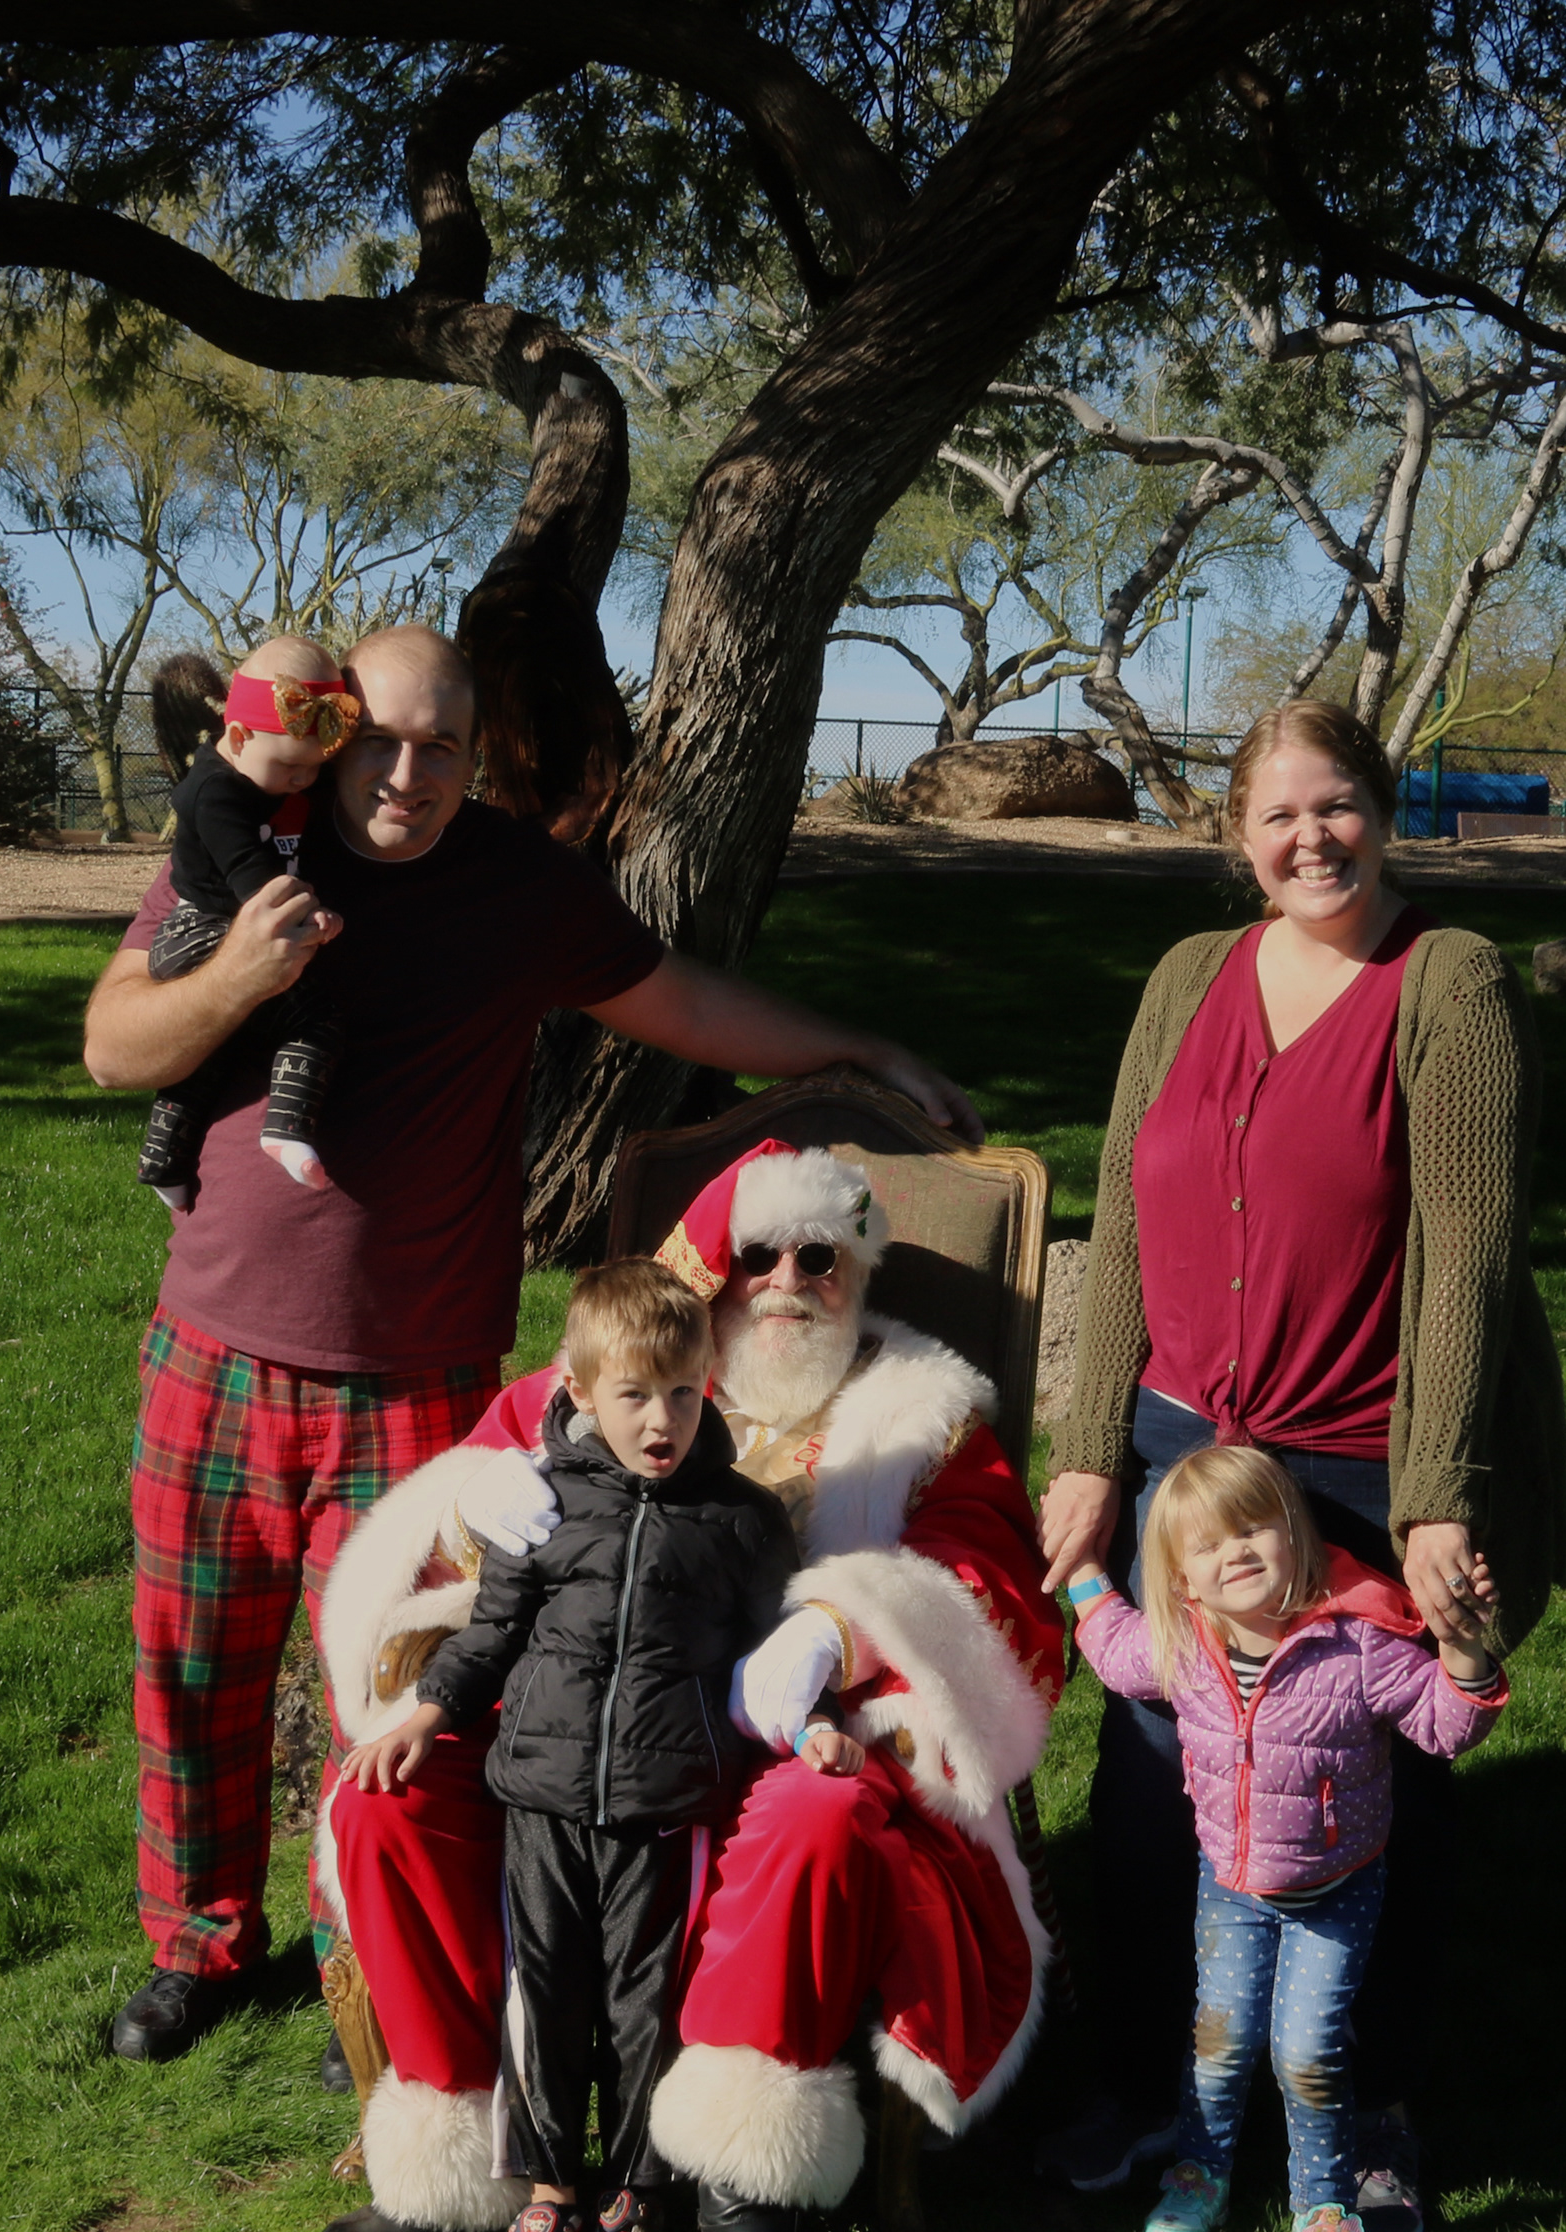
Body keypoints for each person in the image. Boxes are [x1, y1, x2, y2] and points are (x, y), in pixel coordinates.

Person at [83, 623, 984, 2072]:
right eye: (382, 738)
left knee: (408, 1683)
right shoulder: (249, 834)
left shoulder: (517, 886)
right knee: (193, 1667)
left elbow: (683, 1001)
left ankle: (371, 1958)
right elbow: (117, 1047)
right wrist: (242, 971)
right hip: (216, 1350)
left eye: (444, 745)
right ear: (331, 730)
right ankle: (197, 1946)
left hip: (417, 1368)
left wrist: (857, 1050)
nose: (410, 772)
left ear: (476, 757)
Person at [311, 1142, 1063, 2232]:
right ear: (708, 1274)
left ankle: (743, 2201)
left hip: (794, 1735)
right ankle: (457, 2166)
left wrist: (839, 1627)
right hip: (579, 1732)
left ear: (857, 1272)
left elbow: (995, 1584)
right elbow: (458, 1568)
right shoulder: (601, 1383)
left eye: (820, 1256)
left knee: (818, 1816)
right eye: (757, 1255)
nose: (788, 1281)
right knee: (386, 1801)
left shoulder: (919, 1415)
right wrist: (468, 1499)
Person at [1036, 698, 1566, 2232]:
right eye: (1276, 814)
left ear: (1382, 811)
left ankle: (1375, 2105)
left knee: (1369, 1791)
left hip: (1356, 1456)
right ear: (1238, 835)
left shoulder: (1448, 982)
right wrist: (1087, 1451)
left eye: (1334, 804)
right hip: (1180, 1453)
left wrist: (1438, 1490)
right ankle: (1150, 2087)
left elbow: (1471, 1250)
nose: (1309, 838)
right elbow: (1121, 1217)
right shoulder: (1187, 977)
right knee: (1157, 1781)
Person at [342, 1259, 804, 2232]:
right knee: (542, 1998)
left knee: (646, 2006)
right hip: (542, 1801)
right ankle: (550, 2187)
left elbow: (770, 1658)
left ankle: (637, 2189)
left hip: (664, 1808)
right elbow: (493, 1631)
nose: (662, 1420)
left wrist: (806, 1723)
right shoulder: (544, 1505)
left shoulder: (741, 1521)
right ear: (584, 1392)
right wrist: (427, 1712)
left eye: (683, 1392)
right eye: (634, 1394)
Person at [1066, 1446, 1505, 2232]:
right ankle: (1202, 2176)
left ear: (1295, 1534)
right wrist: (1080, 1565)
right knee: (1220, 2042)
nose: (1234, 1553)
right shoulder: (1181, 1647)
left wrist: (1462, 1647)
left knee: (1308, 2053)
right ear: (1180, 1577)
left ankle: (1325, 2216)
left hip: (1336, 1895)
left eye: (1252, 1529)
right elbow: (1114, 1650)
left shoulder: (1359, 1647)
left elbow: (1447, 1729)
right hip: (1230, 1888)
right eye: (1207, 1545)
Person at [138, 634, 360, 1205]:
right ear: (237, 737)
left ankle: (164, 1162)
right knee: (314, 1016)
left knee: (217, 1046)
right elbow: (251, 877)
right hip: (198, 930)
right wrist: (308, 915)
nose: (304, 781)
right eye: (291, 767)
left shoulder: (270, 769)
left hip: (216, 925)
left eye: (316, 768)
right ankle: (286, 1129)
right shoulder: (214, 794)